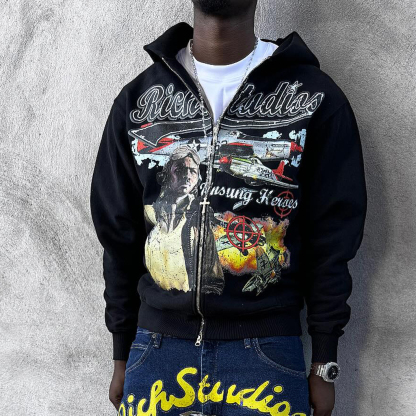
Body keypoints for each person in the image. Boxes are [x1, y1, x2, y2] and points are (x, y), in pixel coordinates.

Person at [89, 0, 367, 415]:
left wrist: (324, 361)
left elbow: (333, 237)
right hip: (157, 352)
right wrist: (122, 352)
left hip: (267, 355)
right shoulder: (139, 99)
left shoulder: (313, 97)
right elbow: (118, 236)